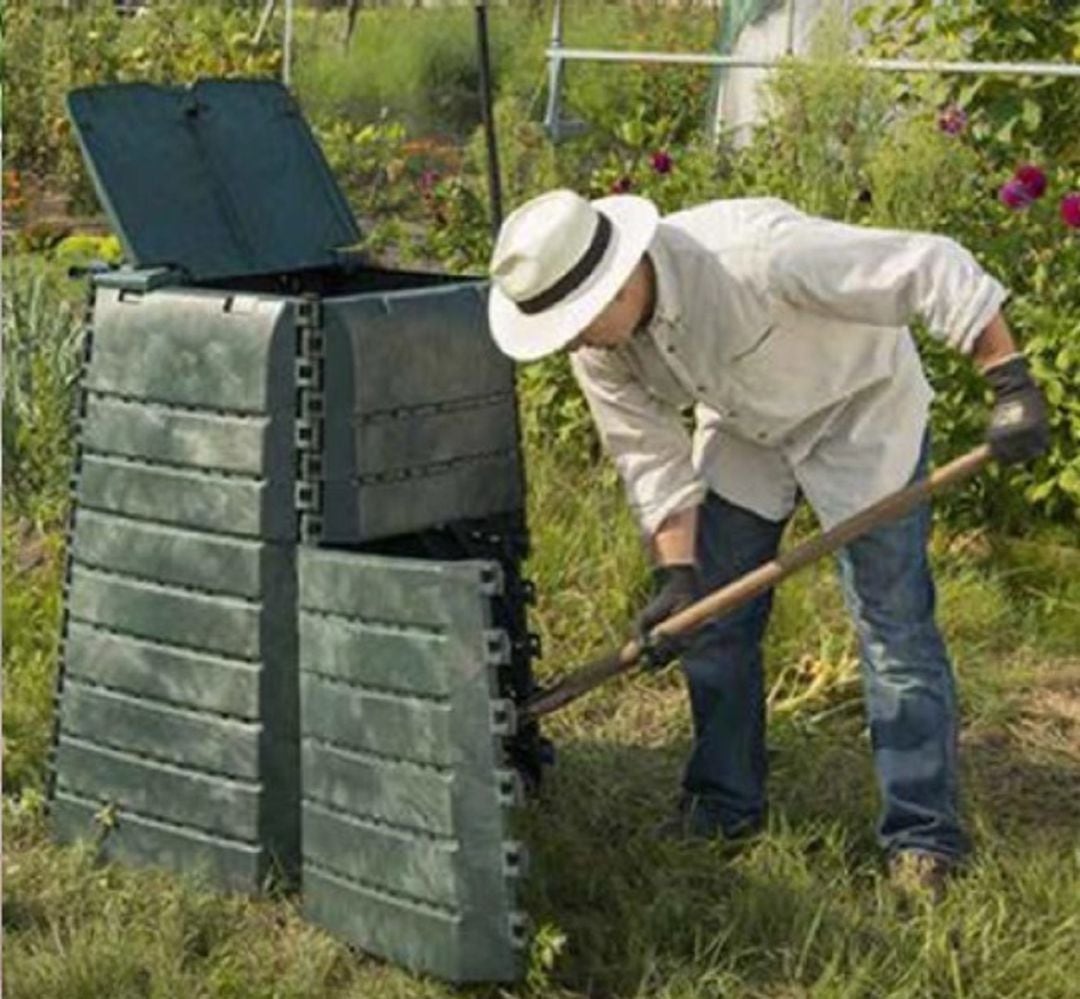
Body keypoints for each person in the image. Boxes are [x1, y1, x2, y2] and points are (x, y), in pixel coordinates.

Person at [485, 189, 1050, 893]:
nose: (572, 342)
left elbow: (930, 266)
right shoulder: (599, 348)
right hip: (748, 430)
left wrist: (1010, 380)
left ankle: (923, 835)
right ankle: (724, 804)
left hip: (860, 408)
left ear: (623, 279)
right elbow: (650, 458)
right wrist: (678, 577)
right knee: (712, 624)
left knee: (892, 629)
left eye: (575, 324)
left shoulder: (756, 255)